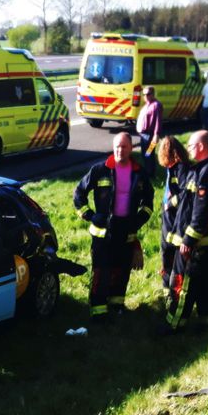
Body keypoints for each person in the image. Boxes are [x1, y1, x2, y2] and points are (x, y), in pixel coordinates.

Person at [73, 133, 154, 319]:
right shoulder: (100, 170)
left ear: (131, 148)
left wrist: (139, 220)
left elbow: (148, 201)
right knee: (101, 270)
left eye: (124, 147)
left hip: (126, 230)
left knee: (122, 269)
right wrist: (90, 215)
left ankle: (117, 305)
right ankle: (98, 310)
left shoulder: (139, 173)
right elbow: (78, 194)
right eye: (117, 146)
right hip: (102, 233)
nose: (119, 150)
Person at [163, 130, 208, 333]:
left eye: (191, 145)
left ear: (201, 147)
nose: (189, 149)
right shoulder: (201, 169)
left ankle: (174, 324)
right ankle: (207, 323)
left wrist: (189, 240)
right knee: (206, 285)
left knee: (183, 284)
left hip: (200, 242)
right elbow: (186, 201)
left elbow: (202, 211)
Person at [157, 136, 191, 293]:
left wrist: (170, 204)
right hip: (167, 218)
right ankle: (166, 290)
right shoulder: (171, 168)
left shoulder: (181, 168)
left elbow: (185, 192)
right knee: (165, 253)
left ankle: (174, 291)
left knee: (174, 256)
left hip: (177, 218)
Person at [135, 86, 162, 176]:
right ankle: (148, 171)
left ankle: (150, 173)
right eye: (144, 94)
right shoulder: (147, 105)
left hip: (150, 135)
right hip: (143, 135)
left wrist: (156, 134)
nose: (146, 96)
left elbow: (158, 121)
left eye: (148, 94)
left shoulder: (156, 105)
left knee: (149, 154)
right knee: (144, 154)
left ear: (153, 94)